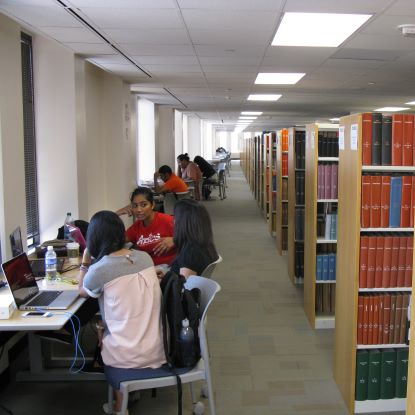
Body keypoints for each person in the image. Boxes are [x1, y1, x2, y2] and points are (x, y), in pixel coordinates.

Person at [79, 211, 166, 414]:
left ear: (94, 238)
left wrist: (85, 261)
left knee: (101, 328)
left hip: (126, 355)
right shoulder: (144, 258)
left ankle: (120, 407)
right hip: (159, 347)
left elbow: (82, 291)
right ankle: (122, 402)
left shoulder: (99, 269)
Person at [116, 187, 176, 266]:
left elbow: (193, 236)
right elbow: (115, 240)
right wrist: (116, 214)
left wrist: (175, 240)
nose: (139, 210)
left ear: (152, 205)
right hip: (148, 269)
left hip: (170, 268)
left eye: (143, 205)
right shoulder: (136, 227)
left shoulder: (167, 220)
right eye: (135, 206)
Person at [167, 199, 219, 279]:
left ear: (182, 222)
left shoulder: (189, 253)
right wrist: (167, 277)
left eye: (175, 217)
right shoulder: (203, 243)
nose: (173, 220)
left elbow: (184, 287)